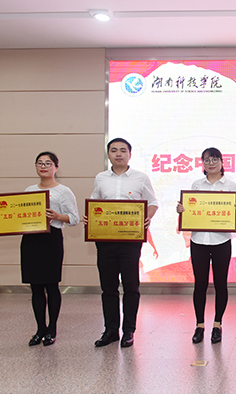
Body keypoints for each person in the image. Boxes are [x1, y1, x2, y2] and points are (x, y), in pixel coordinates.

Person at [0, 152, 79, 347]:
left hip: (51, 240)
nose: (43, 166)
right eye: (40, 163)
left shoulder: (63, 191)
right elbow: (18, 216)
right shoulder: (30, 190)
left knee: (51, 286)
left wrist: (57, 216)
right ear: (36, 167)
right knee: (35, 287)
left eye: (48, 163)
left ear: (56, 167)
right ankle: (40, 329)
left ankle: (52, 329)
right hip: (31, 241)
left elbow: (74, 219)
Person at [84, 138, 158, 348]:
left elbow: (153, 202)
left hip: (130, 240)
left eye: (123, 150)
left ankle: (129, 331)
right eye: (114, 150)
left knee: (131, 286)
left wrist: (147, 217)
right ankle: (110, 330)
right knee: (108, 287)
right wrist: (90, 217)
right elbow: (95, 203)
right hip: (105, 240)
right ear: (108, 154)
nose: (118, 154)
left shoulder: (140, 178)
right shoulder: (100, 178)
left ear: (129, 155)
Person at [177, 147, 236, 344]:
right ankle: (199, 325)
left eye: (214, 159)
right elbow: (192, 209)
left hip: (222, 240)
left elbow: (232, 212)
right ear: (202, 164)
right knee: (200, 284)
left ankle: (217, 325)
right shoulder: (196, 185)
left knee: (221, 284)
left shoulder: (230, 185)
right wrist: (182, 210)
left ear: (222, 162)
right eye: (206, 160)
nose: (211, 163)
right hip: (199, 241)